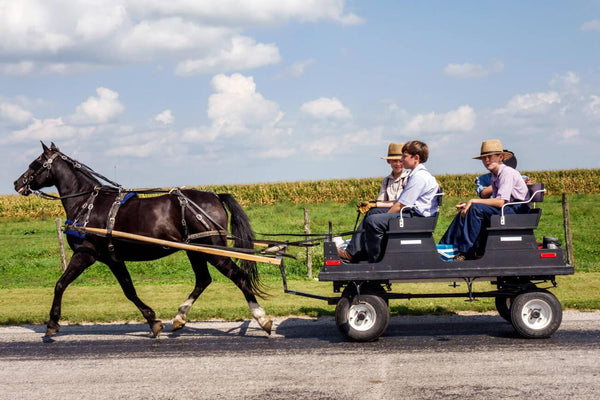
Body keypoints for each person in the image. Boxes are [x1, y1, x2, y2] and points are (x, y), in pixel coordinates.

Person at [339, 140, 439, 263]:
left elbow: (400, 204)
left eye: (404, 156)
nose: (402, 159)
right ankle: (354, 253)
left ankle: (375, 260)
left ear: (416, 158)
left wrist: (386, 217)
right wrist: (374, 205)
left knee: (373, 221)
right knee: (372, 213)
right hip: (412, 213)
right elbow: (399, 202)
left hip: (417, 217)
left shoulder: (419, 177)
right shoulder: (415, 175)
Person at [439, 139, 530, 261]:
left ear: (500, 157)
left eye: (490, 157)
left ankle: (467, 251)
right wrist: (468, 204)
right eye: (484, 158)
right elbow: (496, 201)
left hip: (517, 210)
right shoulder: (495, 175)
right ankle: (446, 246)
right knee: (468, 209)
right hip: (507, 208)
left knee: (475, 208)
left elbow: (500, 202)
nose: (486, 160)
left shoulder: (507, 173)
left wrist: (473, 201)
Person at [342, 142, 411, 261]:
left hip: (401, 211)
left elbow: (400, 203)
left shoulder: (408, 179)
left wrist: (375, 204)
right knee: (371, 212)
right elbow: (381, 200)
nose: (398, 164)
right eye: (394, 161)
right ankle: (360, 250)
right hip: (390, 211)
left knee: (372, 213)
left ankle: (353, 253)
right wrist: (371, 204)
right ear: (389, 162)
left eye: (400, 161)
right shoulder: (386, 181)